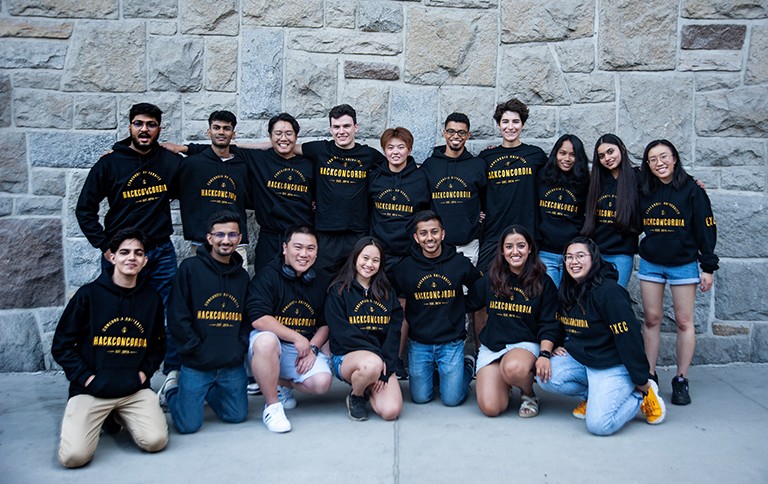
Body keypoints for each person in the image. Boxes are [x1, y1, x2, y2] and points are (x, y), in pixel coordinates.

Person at [76, 102, 182, 374]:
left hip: (159, 253)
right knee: (114, 314)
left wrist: (184, 149)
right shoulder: (110, 162)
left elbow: (202, 178)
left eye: (151, 124)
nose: (144, 130)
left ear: (159, 128)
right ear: (130, 127)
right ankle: (109, 373)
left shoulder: (170, 162)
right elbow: (85, 209)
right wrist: (103, 245)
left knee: (168, 315)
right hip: (121, 255)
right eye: (139, 124)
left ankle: (170, 375)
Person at [52, 228, 168, 468]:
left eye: (138, 253)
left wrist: (144, 373)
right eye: (124, 252)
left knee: (155, 441)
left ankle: (117, 414)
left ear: (145, 260)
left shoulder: (151, 299)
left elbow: (158, 345)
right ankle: (103, 415)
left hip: (132, 390)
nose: (131, 258)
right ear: (112, 257)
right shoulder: (88, 295)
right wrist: (86, 379)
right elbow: (62, 345)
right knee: (74, 458)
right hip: (92, 390)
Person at [538, 237, 666, 436]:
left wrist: (641, 378)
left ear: (594, 259)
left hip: (613, 364)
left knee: (599, 425)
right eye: (569, 257)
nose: (574, 261)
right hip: (584, 360)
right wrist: (555, 345)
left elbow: (629, 339)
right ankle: (595, 395)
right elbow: (561, 323)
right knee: (545, 376)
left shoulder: (609, 293)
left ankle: (642, 395)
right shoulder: (568, 289)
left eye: (581, 256)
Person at [638, 140, 718, 406]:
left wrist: (708, 267)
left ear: (674, 158)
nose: (659, 163)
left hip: (683, 264)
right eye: (653, 159)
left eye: (664, 157)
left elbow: (706, 229)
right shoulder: (643, 188)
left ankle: (681, 379)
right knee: (651, 319)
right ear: (647, 164)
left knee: (684, 322)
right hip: (651, 263)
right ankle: (649, 377)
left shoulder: (692, 191)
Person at [158, 211, 251, 433]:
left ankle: (209, 390)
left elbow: (247, 319)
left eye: (232, 235)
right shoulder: (190, 268)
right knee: (188, 426)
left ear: (239, 239)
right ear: (209, 238)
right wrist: (193, 348)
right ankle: (172, 390)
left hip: (230, 363)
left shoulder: (242, 277)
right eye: (219, 234)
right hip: (197, 363)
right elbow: (177, 315)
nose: (226, 240)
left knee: (236, 415)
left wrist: (239, 346)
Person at [390, 211, 482, 406]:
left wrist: (464, 305)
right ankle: (439, 373)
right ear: (416, 237)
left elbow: (479, 286)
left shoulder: (458, 263)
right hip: (420, 343)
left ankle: (466, 366)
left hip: (451, 342)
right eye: (423, 233)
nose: (429, 238)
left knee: (452, 399)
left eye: (434, 232)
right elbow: (390, 294)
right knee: (421, 398)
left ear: (443, 234)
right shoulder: (406, 267)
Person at [467, 225, 559, 418]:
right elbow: (468, 303)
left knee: (513, 368)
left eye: (520, 246)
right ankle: (505, 383)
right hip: (494, 346)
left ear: (530, 248)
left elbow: (549, 322)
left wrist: (545, 353)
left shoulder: (544, 282)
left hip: (524, 345)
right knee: (490, 408)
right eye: (509, 246)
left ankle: (528, 394)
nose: (515, 251)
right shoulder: (491, 279)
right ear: (502, 250)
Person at [247, 226, 333, 433]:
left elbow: (324, 323)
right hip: (271, 346)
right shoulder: (268, 275)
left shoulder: (319, 279)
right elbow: (259, 319)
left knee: (322, 383)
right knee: (266, 340)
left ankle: (281, 383)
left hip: (301, 349)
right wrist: (297, 337)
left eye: (310, 249)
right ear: (285, 248)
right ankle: (272, 406)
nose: (304, 254)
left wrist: (312, 349)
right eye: (298, 247)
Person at [326, 237, 404, 421]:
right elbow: (341, 333)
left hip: (378, 361)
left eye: (375, 260)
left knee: (391, 411)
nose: (369, 264)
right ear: (355, 258)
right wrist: (377, 356)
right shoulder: (338, 291)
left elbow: (394, 333)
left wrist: (388, 364)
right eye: (365, 258)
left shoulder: (387, 292)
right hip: (347, 357)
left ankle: (368, 385)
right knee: (371, 364)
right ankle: (356, 396)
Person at [173, 111, 251, 267]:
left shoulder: (243, 166)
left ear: (233, 134)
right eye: (216, 127)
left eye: (226, 128)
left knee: (238, 289)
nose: (221, 132)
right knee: (201, 289)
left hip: (236, 244)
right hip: (202, 242)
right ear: (209, 132)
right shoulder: (191, 165)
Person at [477, 99, 547, 272]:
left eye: (516, 122)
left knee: (525, 286)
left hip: (526, 232)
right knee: (485, 281)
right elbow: (475, 187)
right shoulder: (486, 157)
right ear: (499, 125)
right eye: (505, 121)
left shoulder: (535, 155)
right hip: (494, 232)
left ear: (523, 125)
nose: (510, 127)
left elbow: (551, 182)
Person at [580, 134, 641, 288]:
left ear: (622, 149)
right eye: (601, 156)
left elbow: (666, 180)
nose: (607, 158)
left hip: (622, 254)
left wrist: (693, 182)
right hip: (595, 253)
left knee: (615, 297)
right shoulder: (595, 181)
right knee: (594, 299)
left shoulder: (638, 177)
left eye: (610, 151)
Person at [369, 126, 430, 271]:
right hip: (379, 251)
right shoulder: (375, 177)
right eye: (390, 147)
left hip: (409, 253)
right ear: (384, 151)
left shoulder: (421, 178)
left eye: (401, 147)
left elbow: (427, 212)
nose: (395, 152)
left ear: (409, 150)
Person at [537, 134, 590, 287]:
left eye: (573, 155)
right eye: (563, 153)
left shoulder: (585, 181)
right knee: (551, 299)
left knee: (571, 301)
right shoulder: (541, 176)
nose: (567, 158)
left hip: (573, 254)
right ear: (555, 154)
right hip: (545, 252)